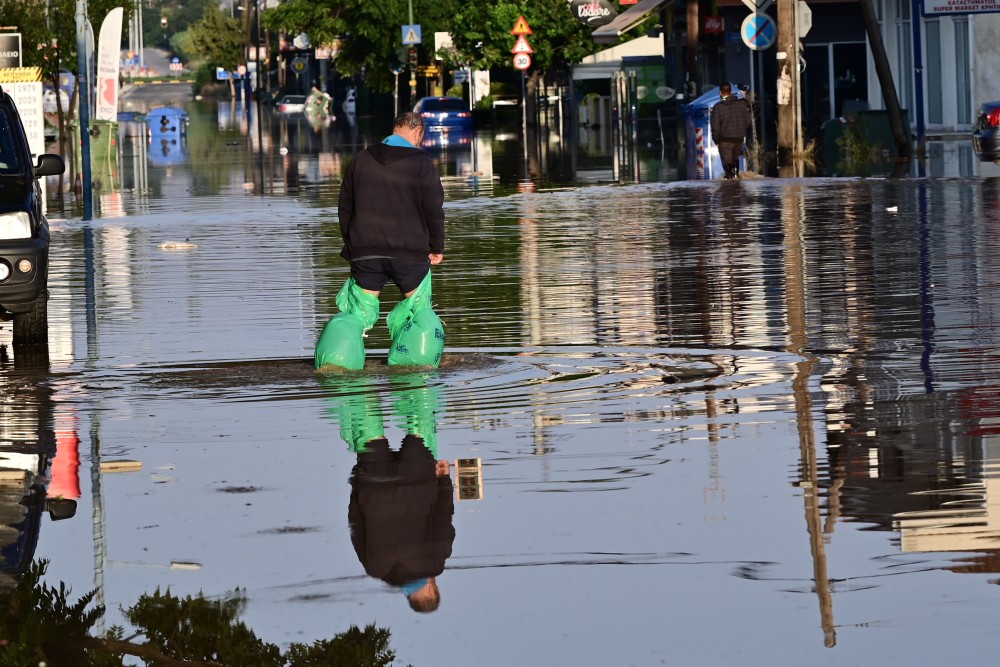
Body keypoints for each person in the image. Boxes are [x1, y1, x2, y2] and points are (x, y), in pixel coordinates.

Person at [337, 111, 445, 299]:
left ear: (395, 130)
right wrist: (436, 247)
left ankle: (348, 328)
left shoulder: (361, 159)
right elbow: (433, 210)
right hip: (410, 253)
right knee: (418, 312)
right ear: (418, 131)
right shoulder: (422, 163)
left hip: (365, 252)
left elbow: (345, 208)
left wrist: (353, 244)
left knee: (359, 314)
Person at [710, 82, 752, 179]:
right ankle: (736, 177)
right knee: (735, 159)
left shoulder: (718, 107)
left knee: (727, 164)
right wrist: (741, 131)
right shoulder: (741, 105)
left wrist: (716, 140)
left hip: (724, 140)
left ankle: (730, 182)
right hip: (739, 138)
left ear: (720, 93)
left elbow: (715, 127)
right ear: (731, 91)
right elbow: (748, 121)